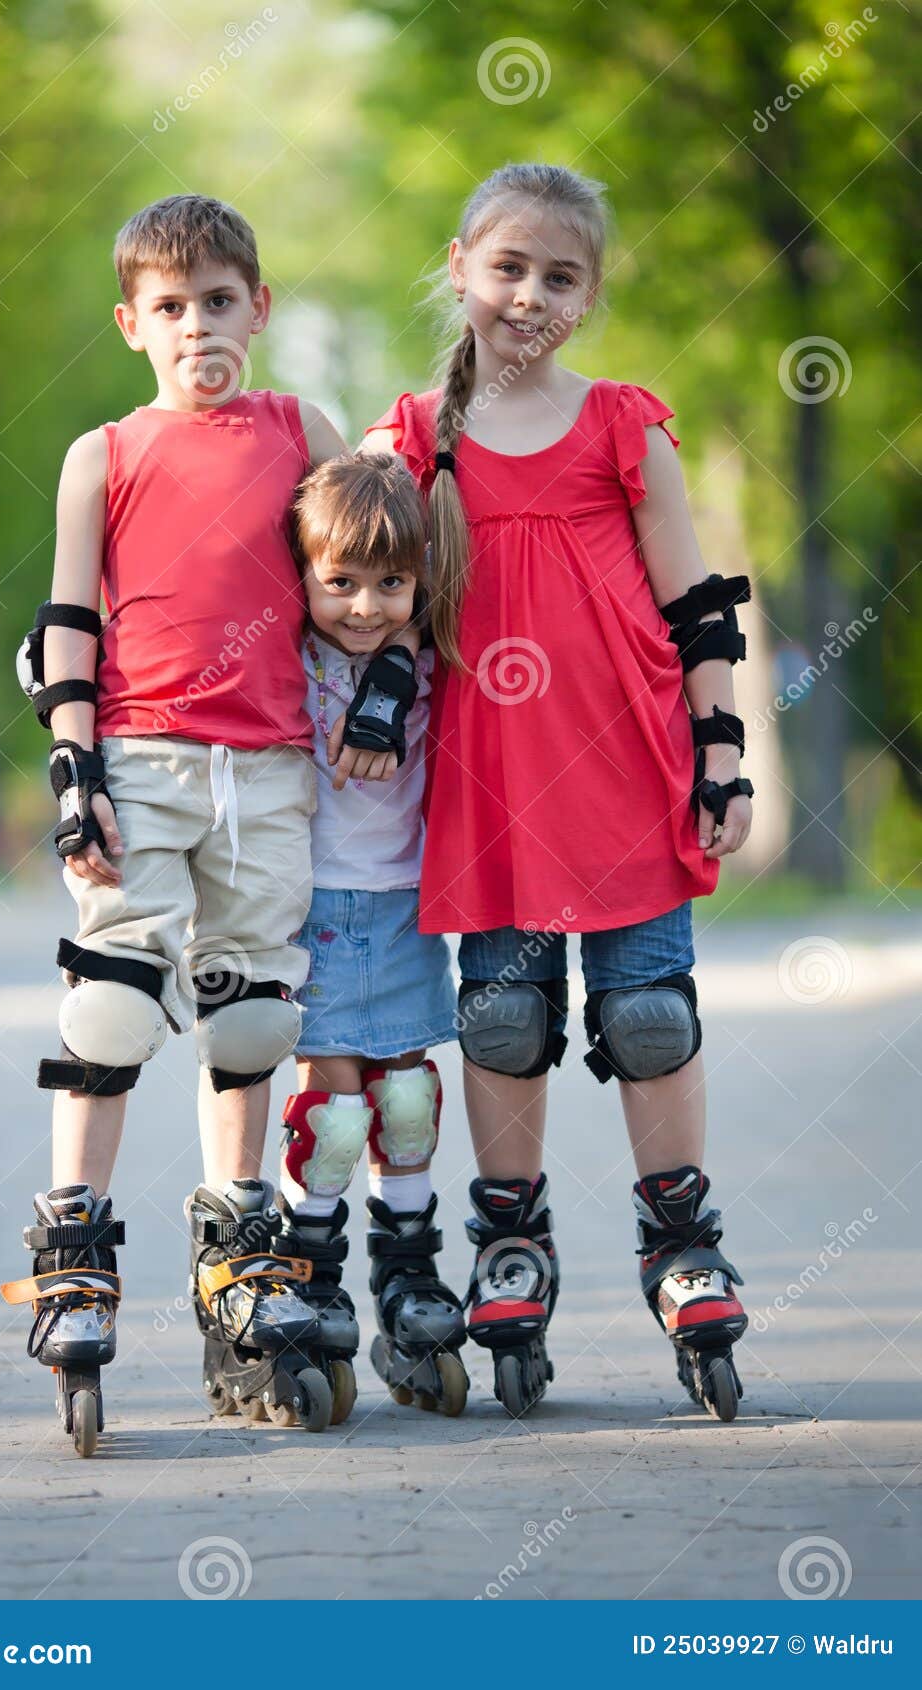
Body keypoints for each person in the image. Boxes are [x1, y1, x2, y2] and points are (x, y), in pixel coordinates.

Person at [0, 194, 412, 1449]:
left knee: (252, 1011)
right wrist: (74, 772)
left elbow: (377, 565)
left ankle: (239, 1250)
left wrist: (390, 682)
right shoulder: (104, 453)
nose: (198, 330)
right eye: (170, 310)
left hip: (275, 768)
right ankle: (74, 1241)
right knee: (115, 999)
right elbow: (69, 619)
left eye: (220, 302)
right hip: (144, 757)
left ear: (260, 308)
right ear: (132, 323)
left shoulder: (305, 429)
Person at [362, 162, 755, 1422]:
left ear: (590, 295)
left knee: (648, 1013)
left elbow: (697, 608)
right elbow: (345, 599)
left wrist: (723, 754)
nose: (529, 294)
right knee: (503, 1017)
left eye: (560, 275)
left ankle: (679, 1238)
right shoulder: (412, 436)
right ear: (461, 263)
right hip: (493, 782)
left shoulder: (620, 425)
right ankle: (509, 1238)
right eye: (509, 266)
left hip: (631, 766)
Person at [273, 452, 468, 1423]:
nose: (363, 607)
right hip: (311, 909)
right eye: (339, 582)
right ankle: (310, 1279)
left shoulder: (427, 652)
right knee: (335, 1113)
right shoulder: (285, 651)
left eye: (390, 583)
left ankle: (409, 1278)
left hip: (399, 904)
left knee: (405, 1102)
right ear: (303, 574)